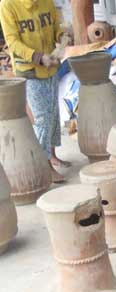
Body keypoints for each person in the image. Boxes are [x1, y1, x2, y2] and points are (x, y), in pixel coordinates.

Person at [0, 0, 71, 182]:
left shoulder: (46, 1)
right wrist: (38, 57)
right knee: (42, 118)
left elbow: (55, 24)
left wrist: (62, 35)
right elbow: (13, 42)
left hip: (51, 66)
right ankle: (44, 166)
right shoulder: (8, 5)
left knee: (53, 113)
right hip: (30, 70)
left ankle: (52, 155)